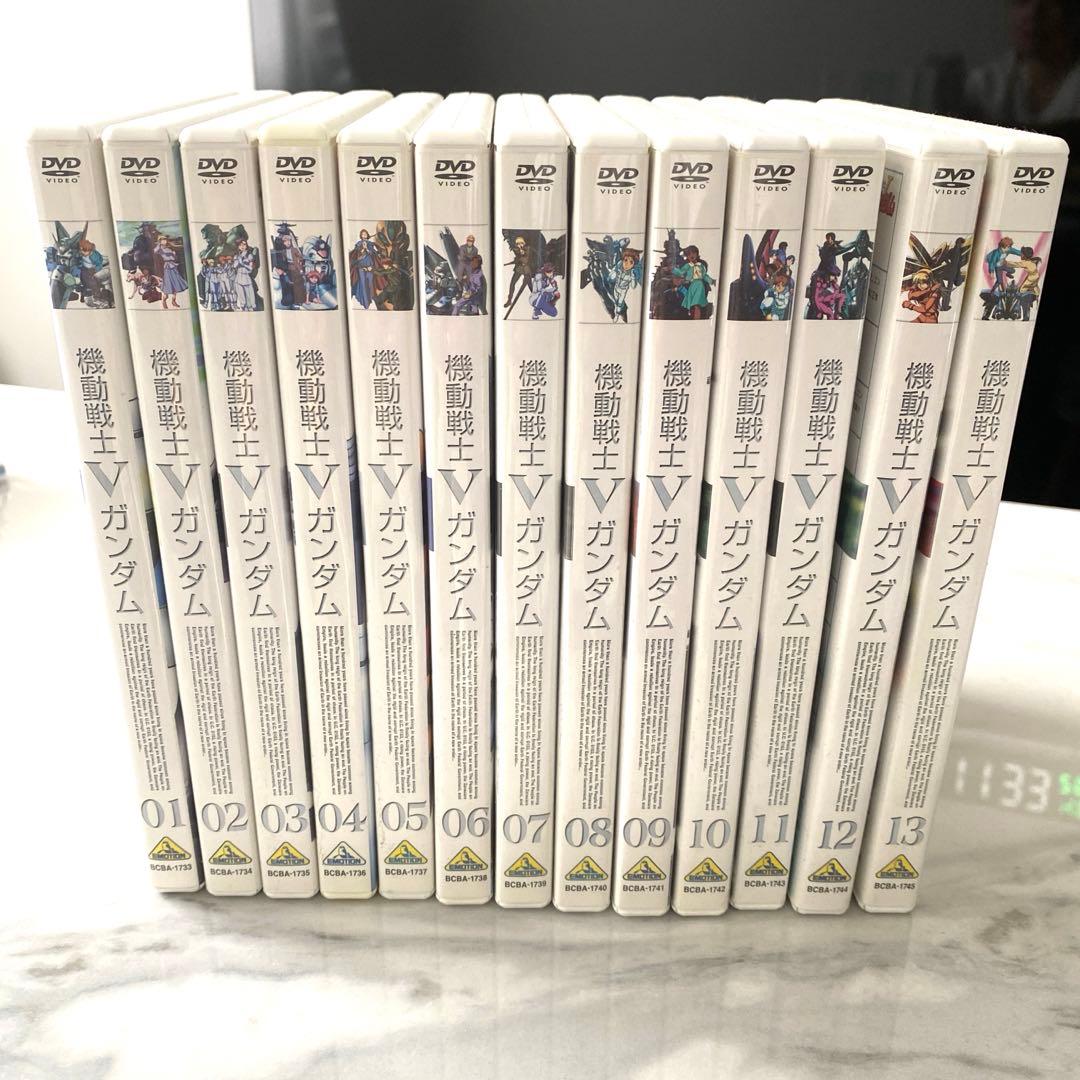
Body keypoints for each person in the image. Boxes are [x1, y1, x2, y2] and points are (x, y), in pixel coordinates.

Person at [671, 245, 714, 319]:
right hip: (689, 285)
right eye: (689, 254)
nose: (691, 255)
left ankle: (696, 318)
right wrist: (673, 270)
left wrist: (711, 281)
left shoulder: (702, 264)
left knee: (696, 304)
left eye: (693, 253)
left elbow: (703, 275)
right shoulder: (686, 264)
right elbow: (681, 272)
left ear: (697, 254)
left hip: (699, 285)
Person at [154, 234, 187, 309]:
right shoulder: (160, 249)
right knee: (168, 284)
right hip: (167, 267)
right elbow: (155, 251)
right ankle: (164, 301)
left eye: (165, 240)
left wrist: (174, 255)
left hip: (173, 266)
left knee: (176, 284)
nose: (165, 241)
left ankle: (173, 301)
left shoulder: (169, 249)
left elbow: (174, 258)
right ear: (160, 241)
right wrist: (159, 245)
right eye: (163, 240)